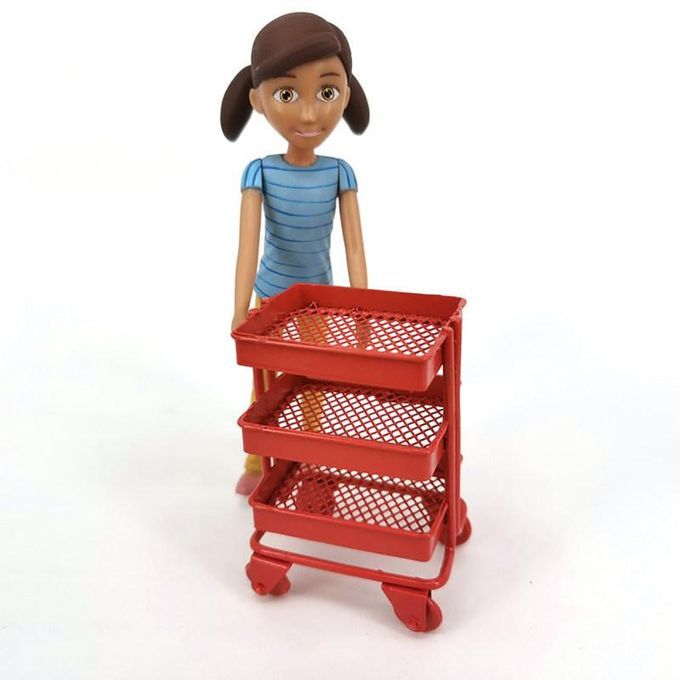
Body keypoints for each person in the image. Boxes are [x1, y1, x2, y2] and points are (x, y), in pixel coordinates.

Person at [221, 13, 370, 494]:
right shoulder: (260, 172)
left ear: (345, 95)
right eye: (287, 94)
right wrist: (240, 309)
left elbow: (354, 247)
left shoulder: (340, 172)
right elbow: (247, 245)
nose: (308, 115)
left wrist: (362, 310)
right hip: (269, 298)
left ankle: (308, 460)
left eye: (326, 92)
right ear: (257, 101)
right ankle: (257, 459)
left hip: (318, 305)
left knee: (310, 384)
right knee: (264, 383)